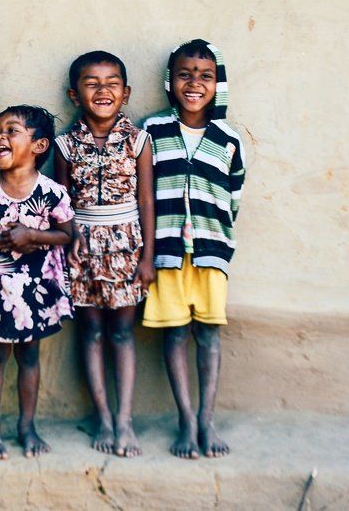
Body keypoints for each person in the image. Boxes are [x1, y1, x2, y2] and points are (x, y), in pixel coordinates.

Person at [141, 39, 246, 459]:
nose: (194, 83)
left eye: (205, 76)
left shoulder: (228, 138)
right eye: (185, 74)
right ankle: (185, 419)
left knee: (208, 334)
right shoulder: (152, 131)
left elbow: (234, 197)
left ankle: (206, 419)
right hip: (166, 251)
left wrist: (214, 236)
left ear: (218, 84)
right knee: (175, 333)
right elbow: (142, 191)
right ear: (171, 80)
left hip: (210, 251)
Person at [0, 106, 75, 459]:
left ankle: (27, 426)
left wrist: (33, 235)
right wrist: (5, 241)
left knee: (29, 355)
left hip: (35, 289)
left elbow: (66, 234)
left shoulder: (52, 192)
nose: (0, 137)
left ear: (39, 146)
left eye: (11, 131)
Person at [53, 51, 155, 458]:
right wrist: (68, 245)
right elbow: (62, 205)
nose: (102, 90)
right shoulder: (64, 145)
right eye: (91, 83)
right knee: (91, 331)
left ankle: (125, 419)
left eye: (112, 83)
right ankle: (104, 418)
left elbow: (146, 201)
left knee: (122, 332)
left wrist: (148, 257)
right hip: (82, 248)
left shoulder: (139, 141)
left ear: (125, 93)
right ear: (74, 95)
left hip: (127, 246)